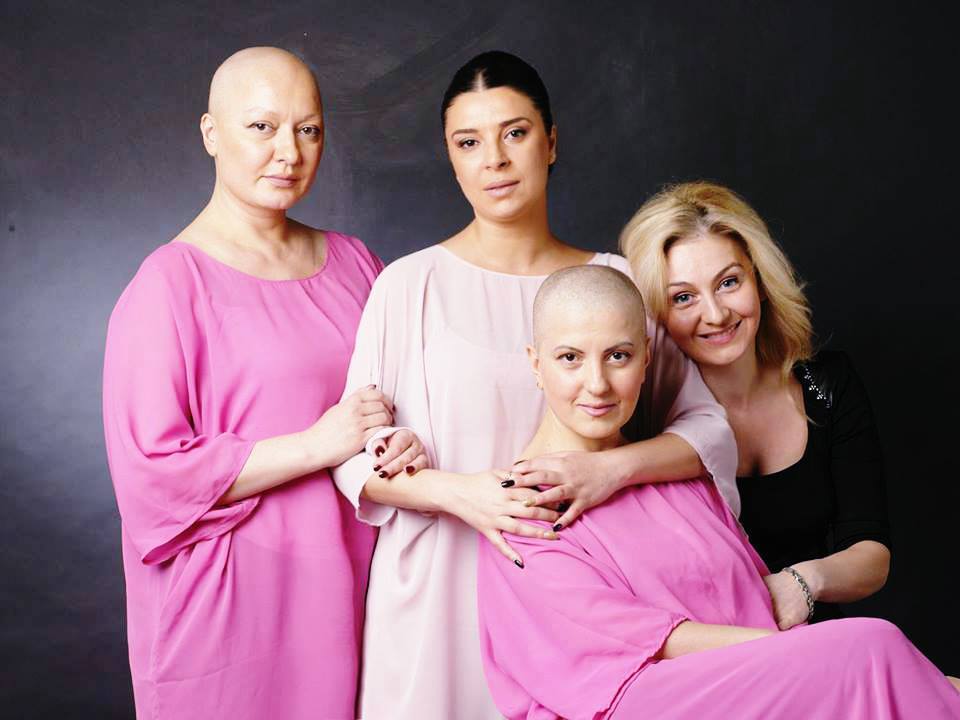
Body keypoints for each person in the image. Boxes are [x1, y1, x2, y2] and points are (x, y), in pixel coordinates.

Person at [332, 51, 736, 720]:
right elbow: (352, 458)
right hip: (436, 598)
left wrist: (608, 472)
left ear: (550, 142)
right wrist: (459, 493)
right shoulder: (408, 285)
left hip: (577, 604)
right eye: (469, 142)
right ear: (451, 158)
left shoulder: (615, 281)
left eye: (514, 133)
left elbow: (708, 431)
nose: (494, 159)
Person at [477, 264, 960, 719]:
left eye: (618, 356)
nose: (597, 384)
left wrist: (817, 662)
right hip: (643, 700)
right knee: (870, 647)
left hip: (764, 685)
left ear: (646, 359)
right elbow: (638, 642)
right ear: (536, 364)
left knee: (896, 672)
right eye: (570, 359)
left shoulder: (681, 477)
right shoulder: (519, 510)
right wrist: (817, 659)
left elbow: (756, 602)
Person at [102, 47, 422, 719]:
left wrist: (401, 442)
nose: (289, 152)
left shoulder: (357, 264)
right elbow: (151, 479)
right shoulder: (168, 285)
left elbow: (402, 402)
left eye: (308, 129)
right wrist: (316, 444)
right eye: (262, 127)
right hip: (230, 609)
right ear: (211, 133)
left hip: (353, 589)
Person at [621, 181, 890, 628]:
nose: (716, 314)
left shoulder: (827, 384)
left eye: (729, 282)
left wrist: (805, 581)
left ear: (760, 281)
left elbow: (871, 554)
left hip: (818, 637)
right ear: (655, 313)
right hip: (706, 654)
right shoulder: (638, 415)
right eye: (683, 297)